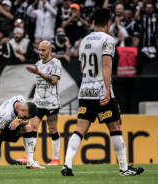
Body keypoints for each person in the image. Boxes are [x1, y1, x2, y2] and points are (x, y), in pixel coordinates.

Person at [61, 8, 144, 176]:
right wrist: (107, 90)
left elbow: (82, 67)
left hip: (85, 91)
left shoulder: (83, 40)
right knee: (115, 127)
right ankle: (124, 168)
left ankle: (67, 165)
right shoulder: (108, 39)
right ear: (108, 23)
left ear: (92, 23)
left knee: (79, 129)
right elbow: (106, 66)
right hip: (101, 92)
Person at [17, 40, 62, 166]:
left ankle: (55, 159)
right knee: (32, 127)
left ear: (50, 50)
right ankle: (28, 157)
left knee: (52, 130)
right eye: (39, 50)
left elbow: (53, 81)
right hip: (38, 103)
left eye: (43, 50)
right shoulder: (38, 63)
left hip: (52, 103)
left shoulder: (56, 63)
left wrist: (39, 73)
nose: (40, 52)